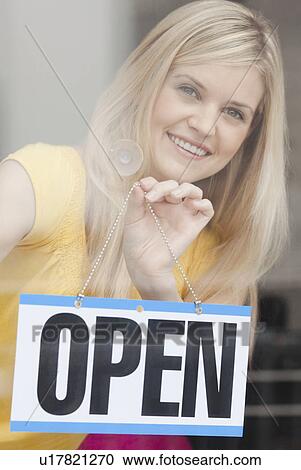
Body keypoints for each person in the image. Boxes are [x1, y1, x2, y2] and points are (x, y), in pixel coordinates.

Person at [0, 0, 289, 450]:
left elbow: (188, 424)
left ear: (250, 136)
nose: (204, 124)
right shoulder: (41, 181)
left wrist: (157, 285)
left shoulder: (216, 255)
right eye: (189, 90)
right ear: (148, 81)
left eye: (234, 112)